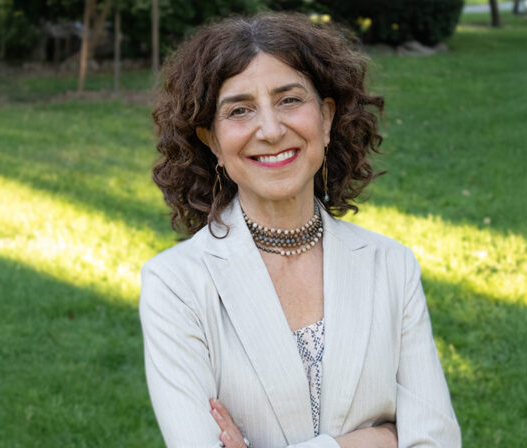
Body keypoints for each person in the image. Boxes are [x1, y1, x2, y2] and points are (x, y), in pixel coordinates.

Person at [140, 12, 460, 448]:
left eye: (289, 100)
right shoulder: (175, 285)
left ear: (326, 119)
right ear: (212, 140)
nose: (271, 130)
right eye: (239, 110)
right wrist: (379, 440)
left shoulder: (391, 266)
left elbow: (437, 441)